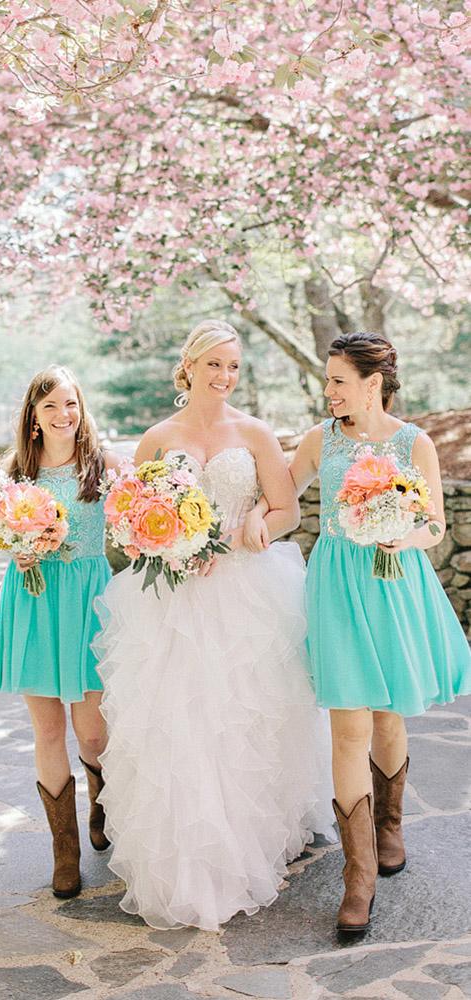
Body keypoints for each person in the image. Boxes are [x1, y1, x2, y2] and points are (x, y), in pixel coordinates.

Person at [94, 319, 335, 932]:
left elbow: (288, 509)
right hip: (171, 601)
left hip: (245, 592)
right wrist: (162, 545)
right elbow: (125, 519)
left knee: (243, 717)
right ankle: (181, 855)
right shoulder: (157, 438)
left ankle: (249, 840)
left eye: (234, 367)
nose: (225, 377)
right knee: (176, 721)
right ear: (190, 367)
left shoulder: (252, 432)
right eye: (215, 365)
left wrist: (257, 520)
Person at [245, 331, 471, 933]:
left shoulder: (413, 442)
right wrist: (250, 518)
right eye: (328, 381)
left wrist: (402, 535)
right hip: (338, 588)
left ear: (373, 384)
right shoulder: (321, 440)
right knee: (348, 726)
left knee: (389, 717)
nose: (330, 391)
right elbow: (281, 499)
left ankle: (390, 822)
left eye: (339, 380)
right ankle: (358, 874)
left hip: (395, 582)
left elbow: (434, 527)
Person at [0, 365, 121, 899]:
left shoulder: (103, 465)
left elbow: (132, 524)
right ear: (34, 419)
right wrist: (15, 549)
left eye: (71, 404)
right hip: (36, 598)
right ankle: (63, 851)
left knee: (91, 731)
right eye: (50, 407)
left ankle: (101, 800)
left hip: (89, 600)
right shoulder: (16, 473)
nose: (64, 415)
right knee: (47, 732)